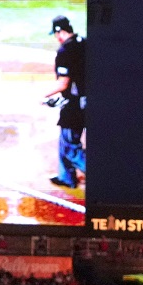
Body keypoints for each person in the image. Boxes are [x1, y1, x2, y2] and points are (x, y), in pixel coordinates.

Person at [44, 16, 86, 189]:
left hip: (77, 105)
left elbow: (63, 83)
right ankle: (66, 177)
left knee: (71, 146)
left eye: (56, 34)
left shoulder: (65, 51)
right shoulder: (84, 42)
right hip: (88, 98)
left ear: (60, 32)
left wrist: (43, 95)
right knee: (65, 140)